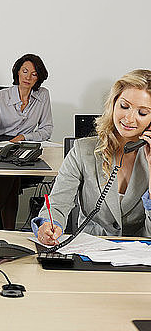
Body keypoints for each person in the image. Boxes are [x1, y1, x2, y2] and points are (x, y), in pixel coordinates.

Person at [34, 69, 151, 245]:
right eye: (124, 106)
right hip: (89, 250)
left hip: (140, 259)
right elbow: (58, 203)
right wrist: (49, 224)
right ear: (113, 104)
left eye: (142, 113)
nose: (129, 118)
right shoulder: (83, 150)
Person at [0, 54, 52, 230]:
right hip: (1, 148)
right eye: (25, 71)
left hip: (26, 149)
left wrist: (25, 137)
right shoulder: (0, 97)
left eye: (34, 74)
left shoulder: (43, 96)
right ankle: (6, 231)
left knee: (11, 174)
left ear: (39, 77)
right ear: (17, 72)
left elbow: (47, 130)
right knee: (10, 173)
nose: (28, 77)